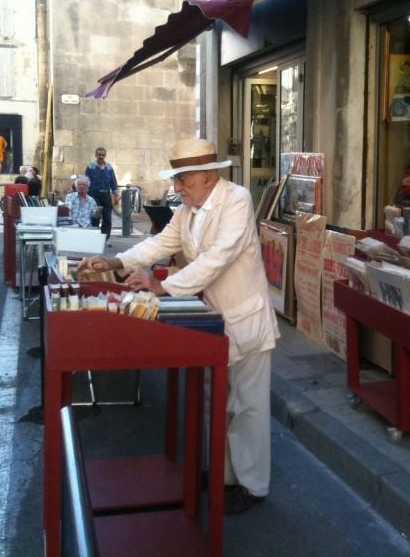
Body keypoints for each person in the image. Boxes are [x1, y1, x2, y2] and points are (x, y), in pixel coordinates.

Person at [78, 139, 279, 515]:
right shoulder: (188, 209)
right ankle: (223, 475)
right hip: (208, 318)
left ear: (207, 175)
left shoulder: (236, 199)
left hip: (244, 317)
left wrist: (164, 285)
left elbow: (219, 257)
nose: (177, 187)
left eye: (182, 178)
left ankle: (253, 485)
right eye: (177, 179)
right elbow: (159, 243)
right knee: (212, 401)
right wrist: (114, 262)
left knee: (246, 406)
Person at [85, 147, 119, 245]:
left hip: (106, 195)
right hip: (94, 195)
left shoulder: (109, 167)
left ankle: (104, 240)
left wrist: (116, 194)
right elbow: (87, 181)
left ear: (105, 155)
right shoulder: (90, 167)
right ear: (96, 155)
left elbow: (113, 182)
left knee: (107, 219)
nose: (101, 157)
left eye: (103, 155)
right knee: (95, 217)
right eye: (99, 155)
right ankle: (94, 239)